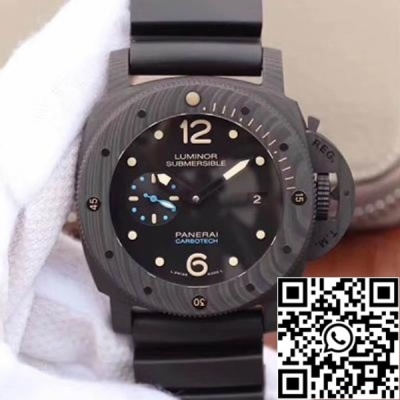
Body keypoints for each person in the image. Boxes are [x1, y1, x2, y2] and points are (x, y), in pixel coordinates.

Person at [1, 1, 398, 399]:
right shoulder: (365, 341)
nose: (193, 192)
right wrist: (367, 375)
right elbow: (366, 360)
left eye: (213, 179)